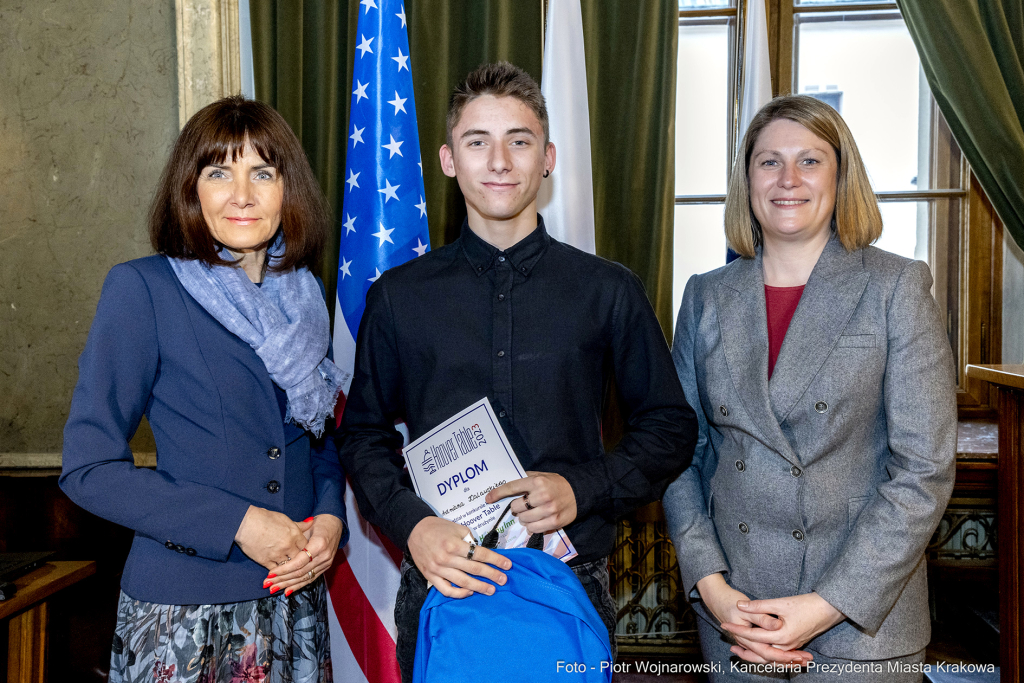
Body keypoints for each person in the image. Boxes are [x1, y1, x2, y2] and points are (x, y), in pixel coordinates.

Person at [338, 61, 698, 683]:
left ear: (548, 157)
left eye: (520, 140)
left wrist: (582, 488)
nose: (499, 160)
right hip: (440, 575)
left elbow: (670, 427)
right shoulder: (397, 297)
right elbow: (363, 434)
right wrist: (412, 525)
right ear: (449, 160)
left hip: (570, 574)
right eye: (477, 142)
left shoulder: (608, 291)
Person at [663, 94, 957, 682]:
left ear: (841, 176)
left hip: (861, 621)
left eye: (810, 161)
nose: (788, 179)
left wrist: (826, 606)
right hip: (738, 619)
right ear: (747, 180)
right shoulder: (705, 296)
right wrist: (713, 589)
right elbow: (677, 455)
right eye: (769, 162)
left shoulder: (896, 286)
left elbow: (924, 470)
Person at [60, 96, 347, 683]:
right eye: (219, 172)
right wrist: (240, 522)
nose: (242, 194)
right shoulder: (143, 289)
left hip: (294, 607)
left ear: (287, 191)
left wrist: (328, 516)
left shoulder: (307, 300)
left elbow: (317, 443)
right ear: (191, 191)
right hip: (184, 617)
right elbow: (87, 470)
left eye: (262, 173)